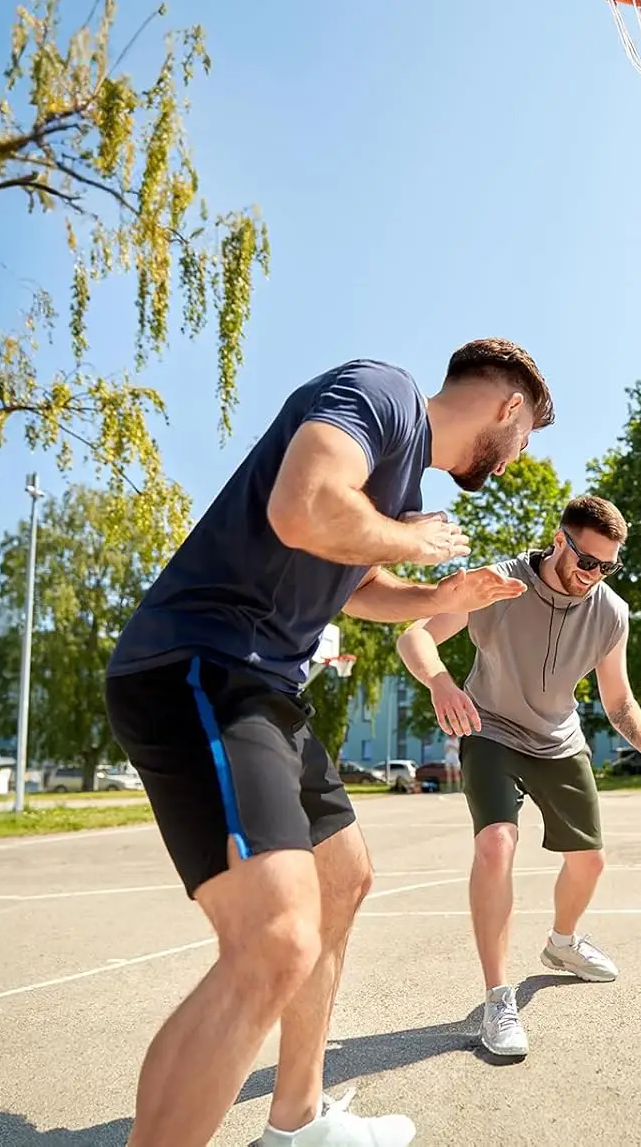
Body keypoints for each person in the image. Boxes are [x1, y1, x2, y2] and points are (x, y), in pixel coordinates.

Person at [104, 340, 553, 1147]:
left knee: (343, 878)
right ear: (507, 408)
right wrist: (414, 541)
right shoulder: (381, 393)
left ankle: (296, 1123)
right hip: (204, 663)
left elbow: (356, 588)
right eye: (526, 441)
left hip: (268, 685)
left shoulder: (402, 478)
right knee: (274, 941)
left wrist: (438, 592)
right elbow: (303, 505)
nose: (518, 460)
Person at [394, 494, 641, 1059]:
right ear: (560, 540)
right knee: (496, 845)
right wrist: (441, 682)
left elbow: (618, 700)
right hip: (491, 731)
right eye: (587, 560)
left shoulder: (611, 612)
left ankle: (562, 944)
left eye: (607, 566)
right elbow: (413, 635)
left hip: (559, 740)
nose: (593, 575)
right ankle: (497, 997)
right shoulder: (500, 584)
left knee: (590, 861)